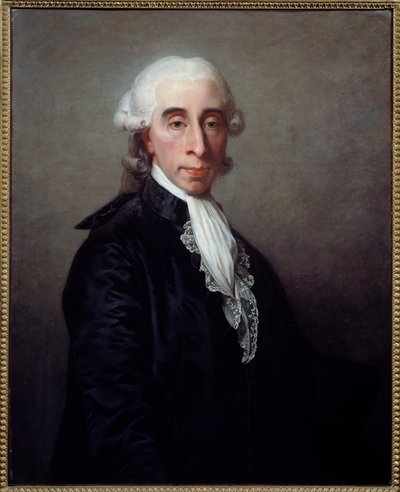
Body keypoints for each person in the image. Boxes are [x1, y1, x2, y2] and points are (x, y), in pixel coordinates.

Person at [49, 56, 380, 485]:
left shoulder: (240, 251)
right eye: (176, 123)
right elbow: (118, 422)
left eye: (211, 123)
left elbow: (289, 374)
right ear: (147, 137)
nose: (199, 147)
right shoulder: (115, 253)